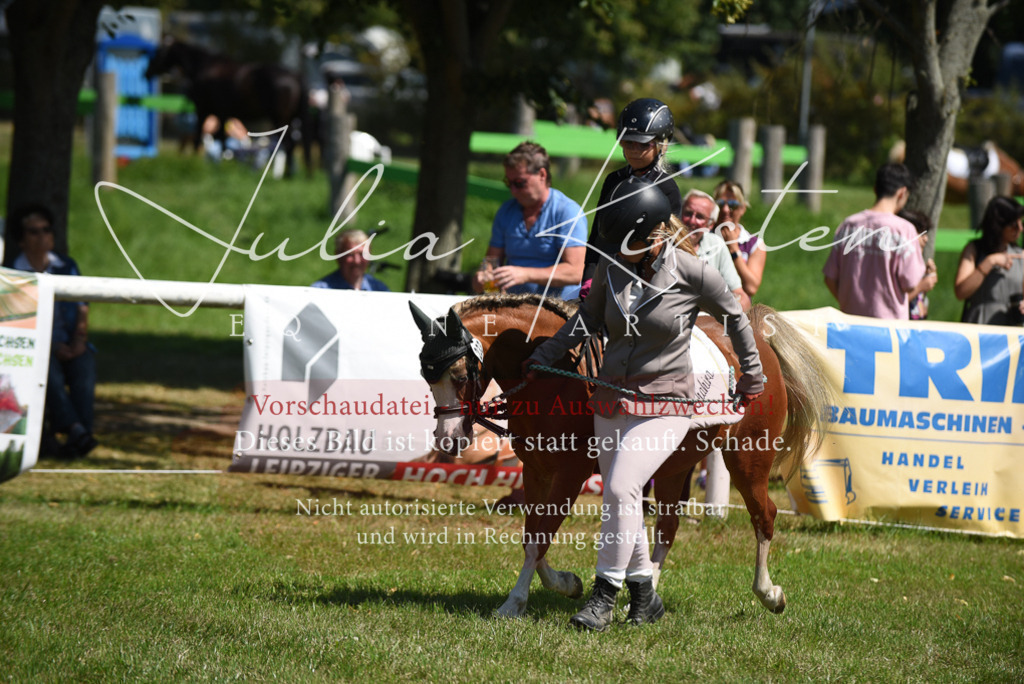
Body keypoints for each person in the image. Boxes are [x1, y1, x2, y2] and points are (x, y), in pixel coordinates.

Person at [522, 177, 764, 632]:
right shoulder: (613, 268)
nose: (613, 251)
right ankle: (646, 597)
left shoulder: (693, 272)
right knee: (623, 497)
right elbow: (587, 322)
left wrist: (753, 375)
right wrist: (545, 355)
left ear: (654, 234)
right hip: (611, 399)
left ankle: (603, 596)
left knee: (619, 489)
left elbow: (735, 315)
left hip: (667, 401)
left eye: (623, 242)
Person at [10, 204, 98, 459]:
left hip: (71, 342)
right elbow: (17, 324)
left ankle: (80, 434)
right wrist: (51, 345)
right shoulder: (14, 273)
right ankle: (77, 431)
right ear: (21, 239)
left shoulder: (66, 265)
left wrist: (79, 340)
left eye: (46, 230)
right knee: (47, 370)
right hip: (35, 345)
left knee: (84, 365)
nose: (42, 236)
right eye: (34, 231)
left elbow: (82, 307)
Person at [583, 98, 682, 285]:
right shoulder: (613, 180)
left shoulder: (667, 188)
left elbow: (671, 248)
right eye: (629, 143)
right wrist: (589, 278)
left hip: (646, 279)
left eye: (644, 145)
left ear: (662, 144)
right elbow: (597, 236)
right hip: (605, 272)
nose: (635, 150)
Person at [473, 142, 587, 300]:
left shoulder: (567, 211)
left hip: (559, 310)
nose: (512, 190)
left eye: (519, 183)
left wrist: (525, 274)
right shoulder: (506, 211)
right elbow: (491, 262)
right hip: (513, 308)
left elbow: (575, 272)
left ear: (542, 175)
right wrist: (482, 276)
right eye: (509, 183)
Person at [822, 163, 931, 319]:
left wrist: (849, 304)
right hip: (889, 330)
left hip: (850, 325)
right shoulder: (904, 230)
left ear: (875, 189)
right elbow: (910, 282)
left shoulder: (848, 225)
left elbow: (830, 278)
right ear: (902, 193)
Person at [954, 195, 1024, 325]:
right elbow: (961, 292)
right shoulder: (975, 249)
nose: (1020, 228)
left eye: (1021, 222)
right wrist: (989, 262)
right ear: (999, 225)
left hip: (1013, 335)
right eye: (1014, 224)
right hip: (981, 330)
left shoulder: (1020, 254)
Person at [678, 189, 750, 311]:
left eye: (700, 216)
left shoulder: (716, 244)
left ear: (710, 225)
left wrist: (734, 311)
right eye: (688, 213)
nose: (692, 221)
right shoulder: (667, 245)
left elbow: (740, 295)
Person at [713, 180, 766, 299]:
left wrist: (733, 249)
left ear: (743, 208)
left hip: (738, 309)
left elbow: (751, 288)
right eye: (720, 204)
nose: (726, 210)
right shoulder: (703, 237)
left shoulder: (754, 244)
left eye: (732, 205)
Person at [312, 229, 390, 291]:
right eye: (350, 254)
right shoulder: (321, 290)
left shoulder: (379, 290)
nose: (357, 261)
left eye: (362, 254)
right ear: (338, 255)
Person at [897, 209, 938, 320]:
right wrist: (921, 286)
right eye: (920, 233)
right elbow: (893, 303)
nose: (926, 239)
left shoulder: (917, 266)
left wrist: (924, 276)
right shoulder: (897, 263)